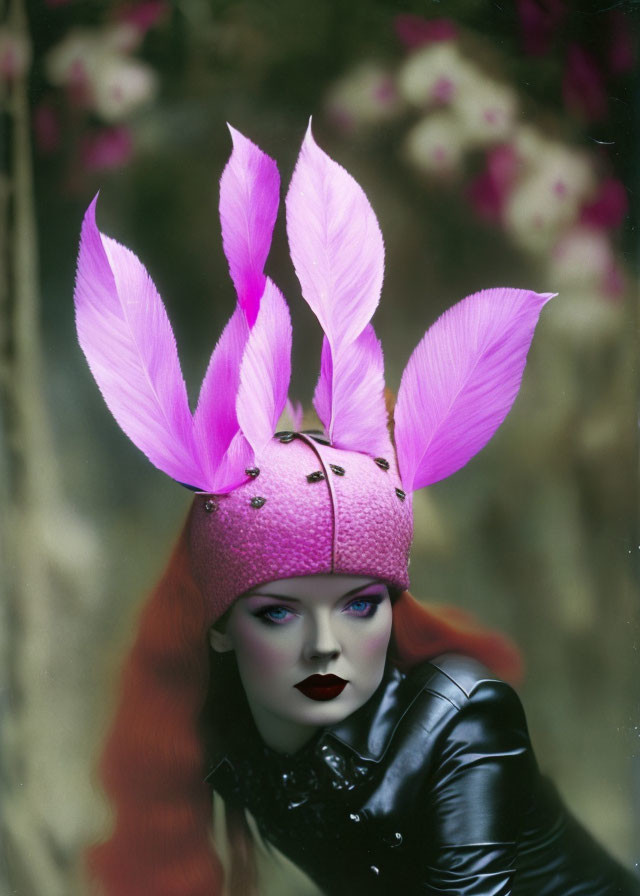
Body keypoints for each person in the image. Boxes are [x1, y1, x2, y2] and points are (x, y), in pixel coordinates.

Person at [77, 125, 640, 895]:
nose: (324, 648)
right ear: (216, 624)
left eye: (361, 606)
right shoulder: (222, 738)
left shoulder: (465, 719)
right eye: (277, 614)